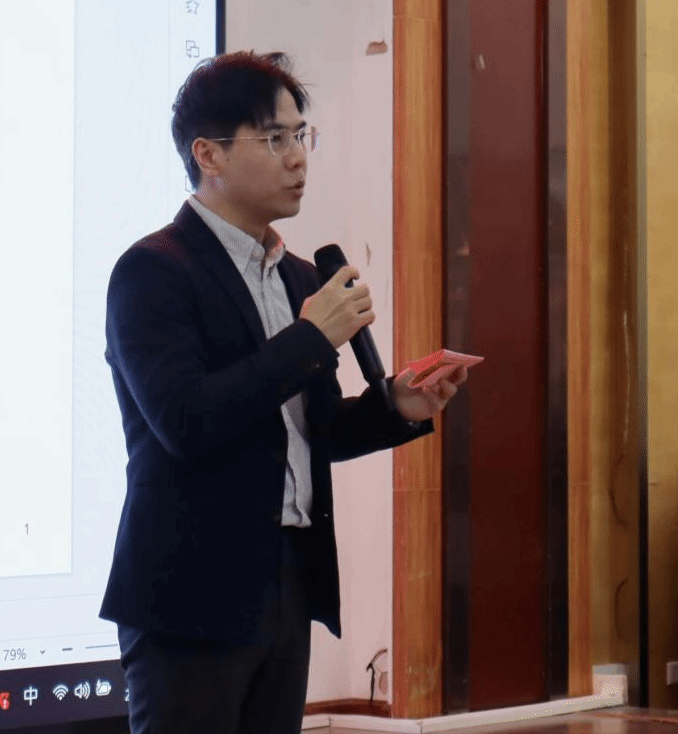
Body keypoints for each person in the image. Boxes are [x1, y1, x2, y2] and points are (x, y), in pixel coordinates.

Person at [100, 51, 467, 734]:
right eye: (274, 138)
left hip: (288, 579)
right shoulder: (152, 272)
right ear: (208, 154)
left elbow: (309, 431)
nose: (298, 157)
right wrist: (310, 338)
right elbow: (186, 421)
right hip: (189, 593)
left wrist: (396, 406)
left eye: (301, 135)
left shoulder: (299, 276)